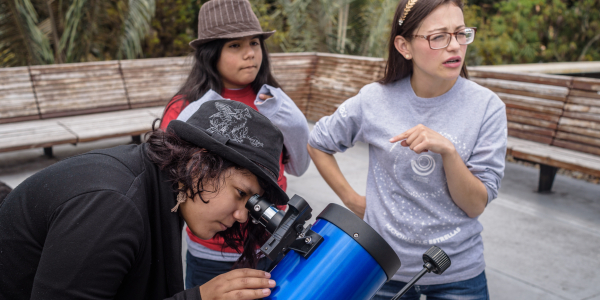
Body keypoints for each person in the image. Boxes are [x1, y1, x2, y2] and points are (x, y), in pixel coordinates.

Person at [307, 0, 506, 299]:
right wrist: (352, 199)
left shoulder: (487, 107)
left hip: (459, 274)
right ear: (405, 46)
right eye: (439, 37)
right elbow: (318, 142)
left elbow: (475, 204)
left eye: (461, 33)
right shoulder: (374, 100)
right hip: (382, 269)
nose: (455, 47)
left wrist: (449, 152)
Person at [0, 100, 288, 300]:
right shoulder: (113, 207)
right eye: (241, 193)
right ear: (199, 165)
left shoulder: (157, 185)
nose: (242, 216)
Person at [159, 0, 310, 289]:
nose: (250, 53)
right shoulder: (185, 108)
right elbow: (168, 180)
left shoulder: (276, 104)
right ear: (210, 54)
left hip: (272, 245)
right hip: (210, 255)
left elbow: (299, 165)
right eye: (235, 46)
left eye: (254, 42)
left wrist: (290, 119)